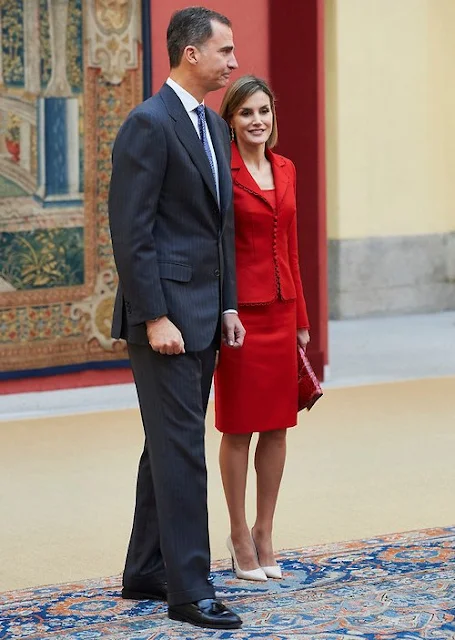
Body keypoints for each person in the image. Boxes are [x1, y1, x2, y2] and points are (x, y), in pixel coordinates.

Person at [108, 7, 245, 630]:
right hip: (164, 324)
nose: (234, 63)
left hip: (206, 316)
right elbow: (130, 233)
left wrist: (229, 305)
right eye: (225, 51)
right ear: (192, 53)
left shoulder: (213, 128)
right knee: (184, 450)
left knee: (165, 446)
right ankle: (190, 590)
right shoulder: (147, 123)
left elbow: (220, 227)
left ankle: (146, 568)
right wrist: (155, 317)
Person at [214, 75, 310, 582]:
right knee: (238, 425)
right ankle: (235, 534)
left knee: (277, 425)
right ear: (230, 119)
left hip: (281, 310)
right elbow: (215, 247)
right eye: (247, 112)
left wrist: (301, 320)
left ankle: (265, 531)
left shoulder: (287, 169)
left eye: (264, 112)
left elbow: (293, 245)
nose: (257, 121)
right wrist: (222, 308)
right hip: (239, 316)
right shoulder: (220, 173)